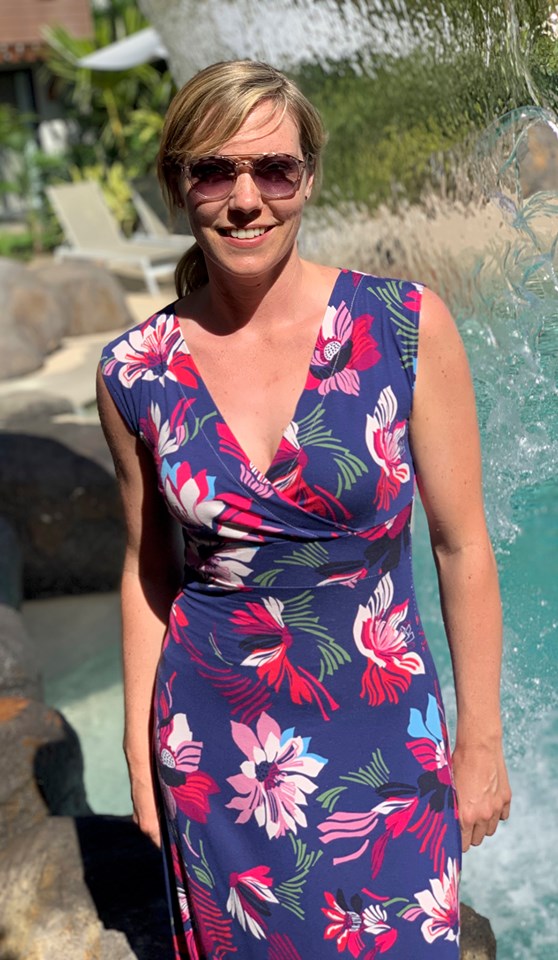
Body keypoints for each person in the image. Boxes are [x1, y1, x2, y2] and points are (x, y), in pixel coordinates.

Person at [97, 59, 511, 960]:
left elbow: (462, 546)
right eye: (214, 171)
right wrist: (138, 749)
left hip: (386, 739)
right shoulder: (134, 370)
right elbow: (147, 569)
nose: (246, 199)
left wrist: (481, 740)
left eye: (273, 169)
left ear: (309, 177)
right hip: (215, 752)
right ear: (178, 184)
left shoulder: (403, 326)